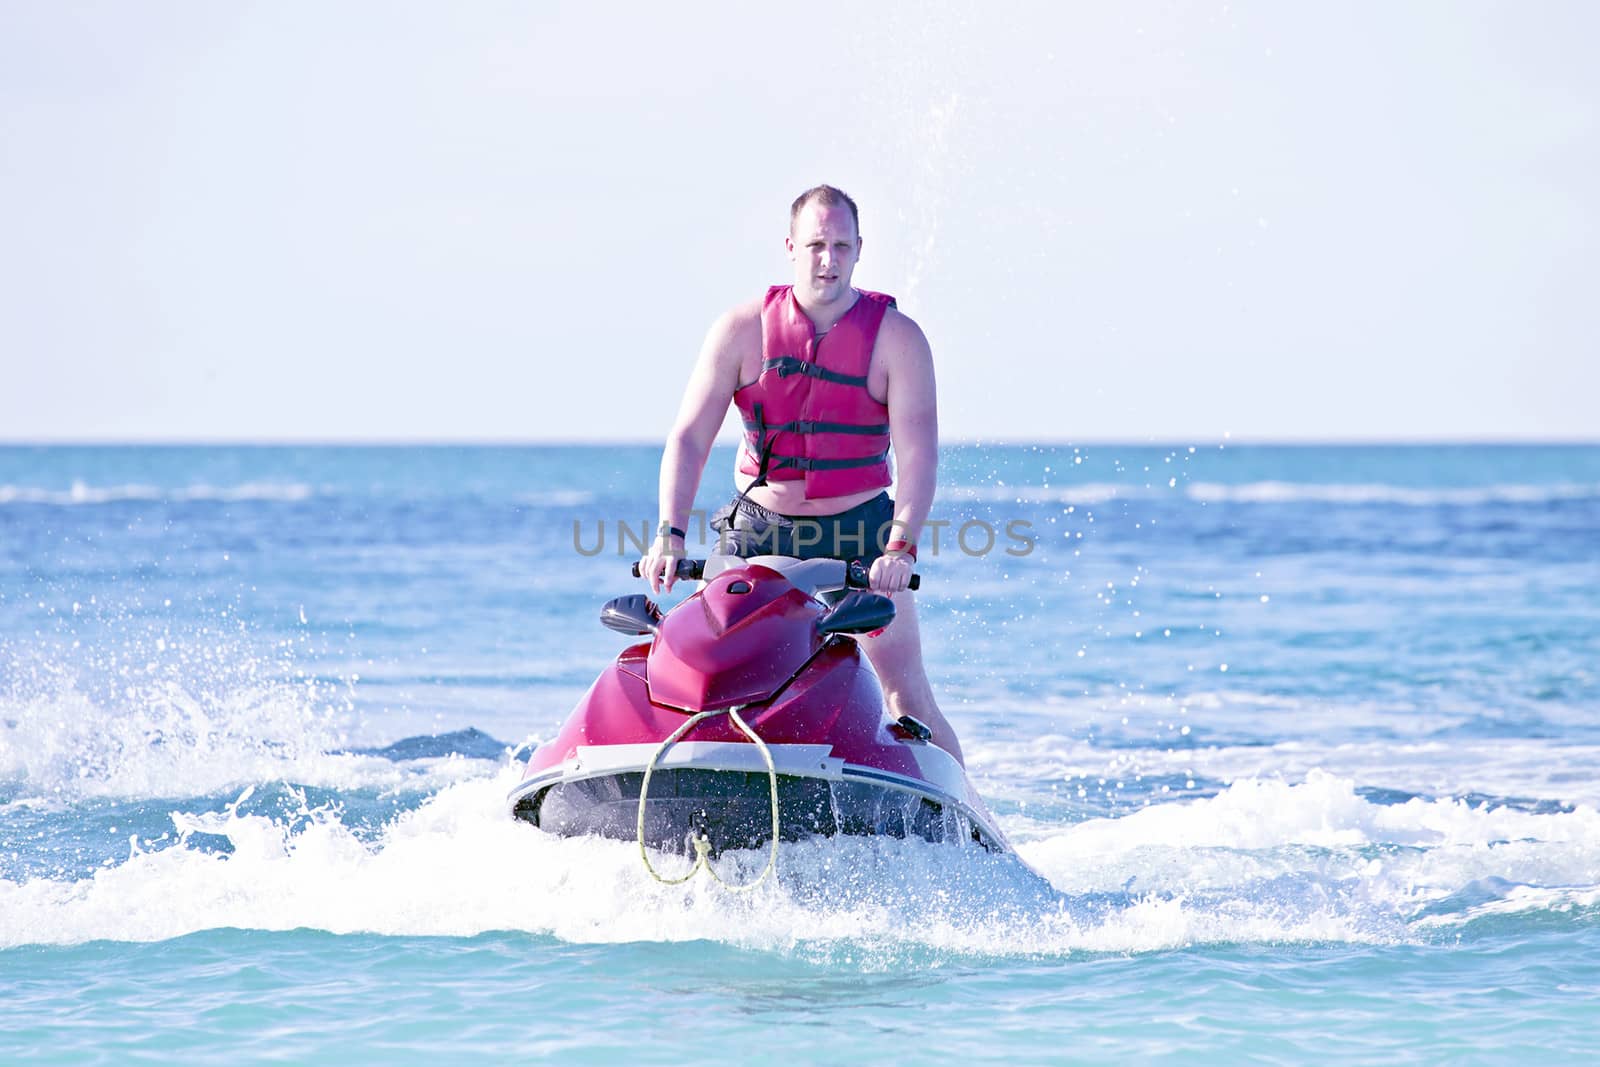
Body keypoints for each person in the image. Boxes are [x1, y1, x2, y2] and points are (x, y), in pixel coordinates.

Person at [638, 184, 963, 765]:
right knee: (705, 680)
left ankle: (975, 832)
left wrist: (901, 549)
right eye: (816, 244)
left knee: (905, 694)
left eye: (841, 245)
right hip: (757, 533)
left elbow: (918, 458)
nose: (828, 259)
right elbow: (688, 439)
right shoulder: (741, 331)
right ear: (790, 247)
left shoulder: (899, 340)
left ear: (860, 249)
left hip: (861, 537)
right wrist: (670, 533)